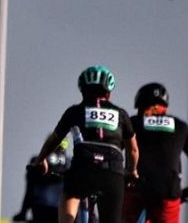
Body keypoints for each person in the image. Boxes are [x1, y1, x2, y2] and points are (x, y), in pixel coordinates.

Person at [33, 65, 137, 223]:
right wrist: (132, 171)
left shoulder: (74, 112)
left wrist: (41, 160)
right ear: (108, 93)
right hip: (113, 172)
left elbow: (54, 140)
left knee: (69, 195)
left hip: (83, 169)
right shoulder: (121, 114)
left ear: (82, 90)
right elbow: (133, 151)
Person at [121, 82, 188, 223]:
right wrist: (184, 193)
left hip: (135, 189)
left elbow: (112, 151)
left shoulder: (133, 122)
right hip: (168, 193)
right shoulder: (181, 127)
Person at [12, 137, 69, 222]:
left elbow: (29, 190)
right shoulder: (70, 163)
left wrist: (23, 213)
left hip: (41, 210)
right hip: (62, 211)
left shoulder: (37, 161)